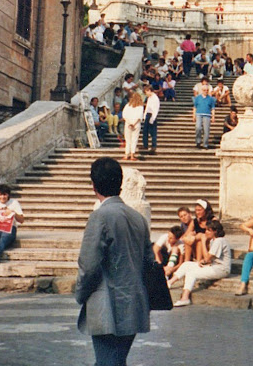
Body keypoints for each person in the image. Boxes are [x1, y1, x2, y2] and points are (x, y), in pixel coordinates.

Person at [75, 157, 154, 366]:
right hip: (135, 302)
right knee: (115, 360)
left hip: (106, 304)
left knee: (107, 361)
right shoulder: (138, 218)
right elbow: (149, 261)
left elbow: (88, 265)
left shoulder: (99, 217)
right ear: (120, 183)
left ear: (94, 185)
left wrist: (81, 294)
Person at [168, 220, 231, 307]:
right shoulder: (214, 240)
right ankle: (170, 283)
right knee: (187, 264)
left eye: (209, 230)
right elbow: (208, 259)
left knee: (192, 273)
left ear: (215, 231)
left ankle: (185, 298)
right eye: (206, 230)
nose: (206, 232)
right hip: (213, 266)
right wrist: (203, 262)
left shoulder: (219, 241)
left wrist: (204, 243)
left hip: (221, 269)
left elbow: (207, 257)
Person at [0, 184, 24, 260]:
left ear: (8, 195)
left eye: (5, 195)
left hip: (10, 228)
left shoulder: (14, 203)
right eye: (0, 195)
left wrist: (13, 213)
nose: (3, 197)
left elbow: (22, 220)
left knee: (3, 238)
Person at [193, 84, 216, 149]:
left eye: (207, 90)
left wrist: (213, 116)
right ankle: (198, 142)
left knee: (206, 130)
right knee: (198, 128)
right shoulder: (197, 98)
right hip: (199, 114)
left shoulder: (211, 99)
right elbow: (195, 107)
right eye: (204, 90)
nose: (205, 91)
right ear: (201, 90)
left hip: (207, 115)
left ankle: (205, 144)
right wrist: (193, 115)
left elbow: (213, 108)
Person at [122, 92, 144, 160]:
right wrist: (134, 124)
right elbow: (140, 117)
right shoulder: (140, 106)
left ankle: (126, 154)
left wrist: (129, 122)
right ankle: (132, 155)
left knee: (128, 140)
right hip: (136, 124)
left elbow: (124, 115)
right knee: (134, 139)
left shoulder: (127, 105)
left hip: (128, 124)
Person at [142, 86, 160, 154]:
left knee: (153, 132)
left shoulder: (155, 98)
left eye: (146, 92)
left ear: (149, 90)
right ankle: (145, 144)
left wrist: (153, 118)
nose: (146, 94)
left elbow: (156, 109)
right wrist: (144, 115)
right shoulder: (149, 98)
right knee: (145, 131)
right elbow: (147, 107)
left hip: (152, 115)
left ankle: (153, 146)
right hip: (148, 114)